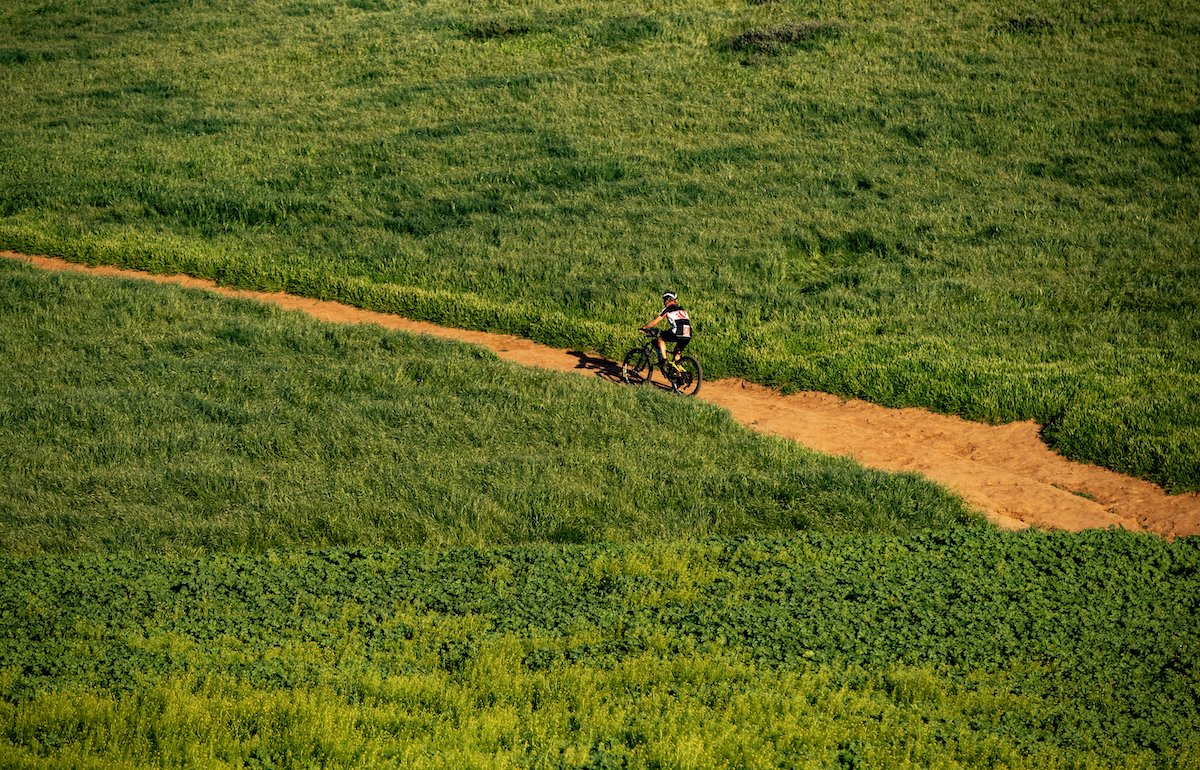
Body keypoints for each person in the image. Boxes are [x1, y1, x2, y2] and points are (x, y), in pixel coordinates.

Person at [641, 291, 692, 367]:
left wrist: (644, 328)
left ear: (668, 300)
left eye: (664, 300)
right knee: (677, 352)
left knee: (660, 338)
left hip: (678, 331)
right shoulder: (682, 309)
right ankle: (677, 372)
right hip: (688, 333)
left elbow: (655, 322)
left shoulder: (667, 310)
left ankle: (664, 360)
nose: (663, 302)